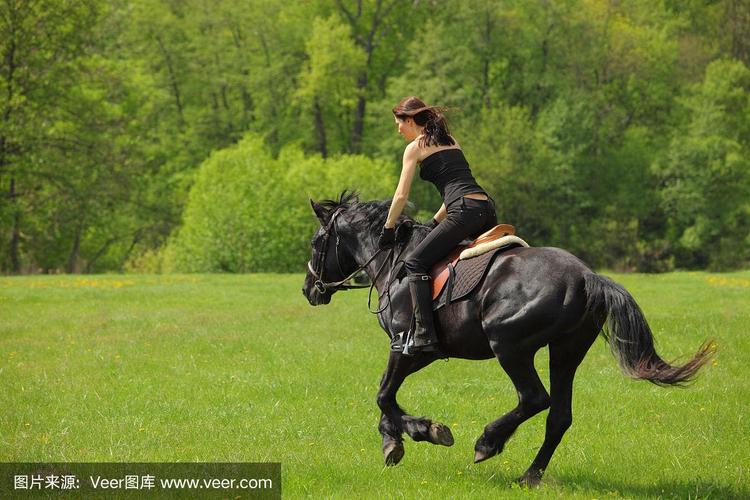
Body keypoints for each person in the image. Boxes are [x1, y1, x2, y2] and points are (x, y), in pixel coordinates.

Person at [378, 96, 498, 355]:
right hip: (485, 208)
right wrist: (434, 222)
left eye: (398, 123)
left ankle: (424, 335)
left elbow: (400, 196)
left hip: (463, 212)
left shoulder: (415, 147)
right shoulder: (451, 141)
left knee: (415, 263)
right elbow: (459, 188)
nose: (398, 129)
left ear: (409, 120)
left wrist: (388, 228)